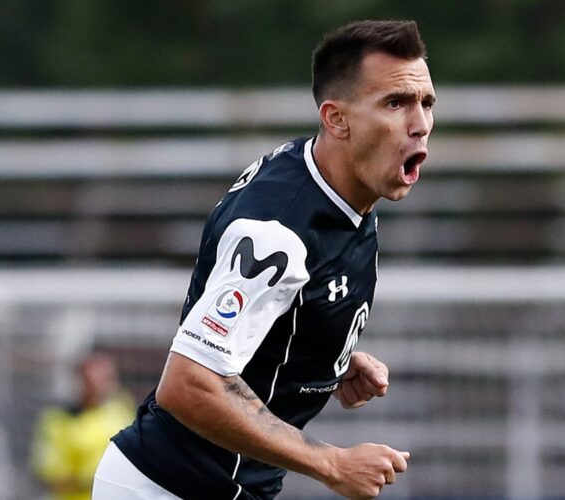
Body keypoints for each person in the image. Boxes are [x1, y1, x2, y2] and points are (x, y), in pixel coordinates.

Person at [93, 19, 435, 500]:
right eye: (395, 103)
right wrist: (331, 463)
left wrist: (324, 360)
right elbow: (189, 384)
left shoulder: (344, 186)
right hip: (169, 486)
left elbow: (274, 309)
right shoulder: (276, 234)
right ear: (337, 119)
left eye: (426, 103)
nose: (419, 124)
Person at [32, 352, 134, 500]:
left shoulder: (122, 415)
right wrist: (96, 480)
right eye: (89, 380)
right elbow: (51, 475)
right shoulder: (58, 421)